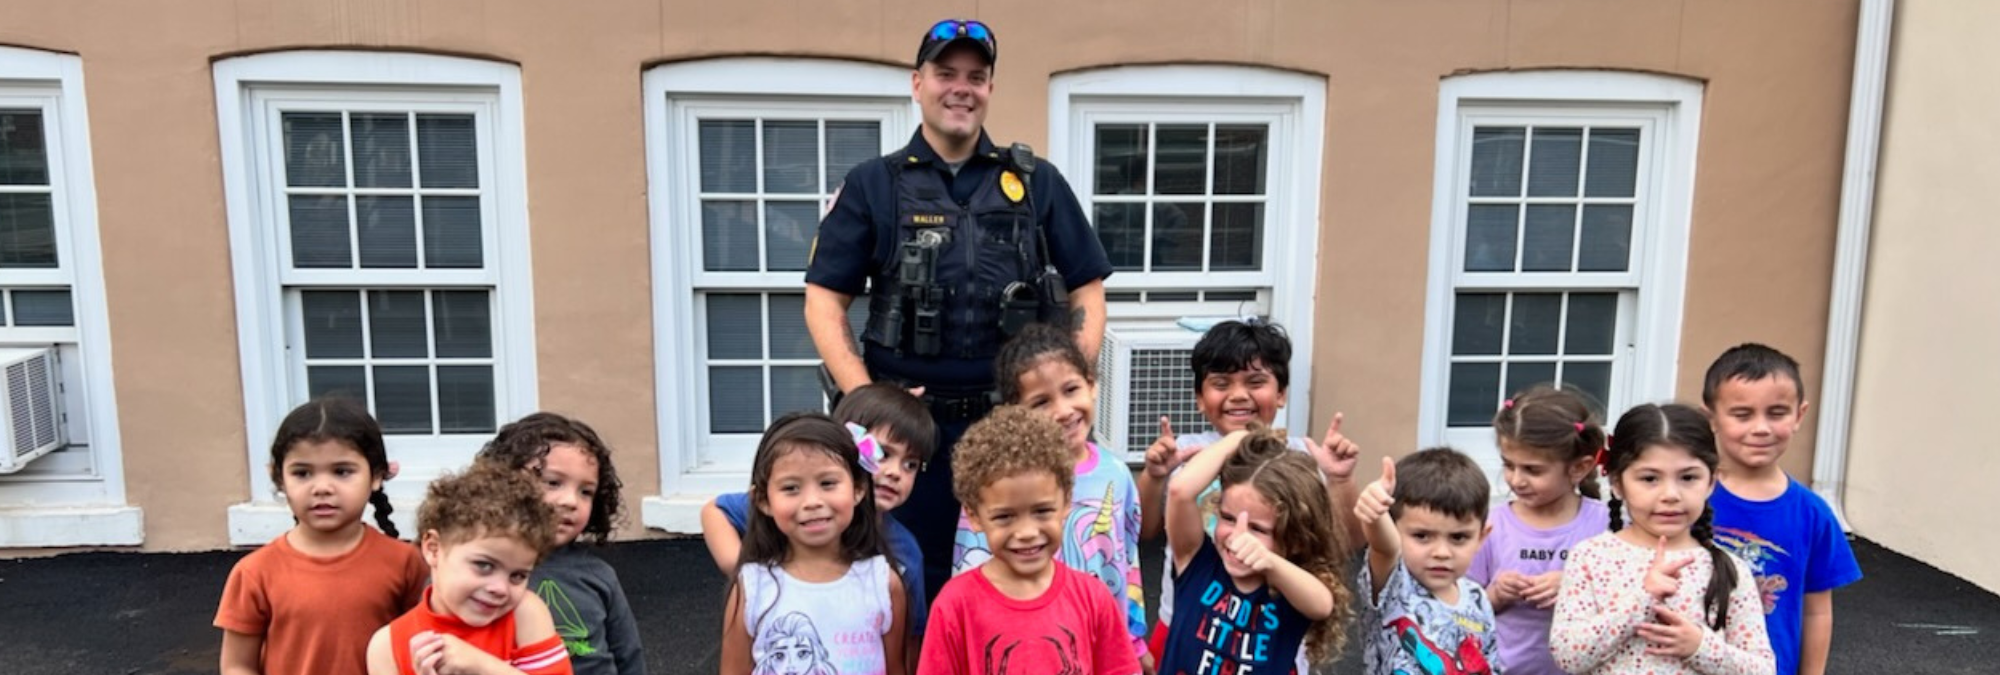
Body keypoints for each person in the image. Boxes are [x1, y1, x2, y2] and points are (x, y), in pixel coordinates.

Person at [803, 17, 1112, 601]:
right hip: (909, 437)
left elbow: (1088, 290)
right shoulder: (873, 185)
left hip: (1010, 426)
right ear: (918, 83)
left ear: (991, 88)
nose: (961, 88)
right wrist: (871, 410)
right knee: (900, 579)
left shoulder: (1036, 182)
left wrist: (1063, 388)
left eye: (976, 76)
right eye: (946, 74)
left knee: (1016, 576)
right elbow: (823, 300)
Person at [1131, 319, 1362, 669]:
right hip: (1186, 618)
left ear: (1281, 392)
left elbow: (1346, 543)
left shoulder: (1300, 460)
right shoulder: (1188, 454)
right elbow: (1146, 529)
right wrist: (1154, 476)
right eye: (1221, 383)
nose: (1238, 395)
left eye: (1255, 382)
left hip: (1272, 633)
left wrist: (1340, 481)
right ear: (1199, 398)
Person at [949, 323, 1146, 667]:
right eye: (1041, 401)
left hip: (1096, 641)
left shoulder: (1116, 474)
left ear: (1092, 383)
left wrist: (1133, 640)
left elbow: (1126, 559)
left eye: (1071, 389)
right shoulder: (991, 482)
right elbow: (969, 571)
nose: (1063, 410)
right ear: (1015, 408)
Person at [701, 383, 936, 657]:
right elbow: (715, 511)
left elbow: (910, 640)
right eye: (883, 453)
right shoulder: (796, 507)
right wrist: (743, 570)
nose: (896, 472)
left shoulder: (905, 553)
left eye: (911, 464)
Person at [1550, 403, 1775, 675]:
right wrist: (1643, 599)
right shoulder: (1592, 557)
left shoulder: (1729, 569)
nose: (1670, 494)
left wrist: (1700, 647)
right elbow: (1567, 655)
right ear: (1618, 483)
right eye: (1649, 478)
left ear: (1711, 481)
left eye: (1688, 477)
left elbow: (1763, 669)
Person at [918, 405, 1139, 675]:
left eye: (1042, 511)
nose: (1026, 532)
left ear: (1066, 502)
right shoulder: (954, 605)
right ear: (974, 515)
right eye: (1005, 517)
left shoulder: (1093, 598)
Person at [215, 397, 429, 675]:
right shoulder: (255, 572)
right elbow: (237, 666)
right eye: (303, 473)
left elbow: (425, 644)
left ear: (376, 475)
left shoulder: (405, 563)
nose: (322, 487)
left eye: (342, 472)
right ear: (279, 479)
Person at [1700, 344, 1860, 675]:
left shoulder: (1812, 513)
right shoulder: (1688, 498)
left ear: (1799, 415)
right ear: (1711, 418)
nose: (1761, 428)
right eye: (1742, 414)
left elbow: (1817, 611)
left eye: (1776, 413)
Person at [720, 412, 908, 675]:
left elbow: (895, 669)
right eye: (791, 488)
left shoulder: (882, 583)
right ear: (763, 500)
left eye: (827, 483)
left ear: (858, 488)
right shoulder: (753, 587)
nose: (812, 501)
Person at [1159, 425, 1352, 673]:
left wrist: (1270, 562)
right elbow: (1180, 490)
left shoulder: (1287, 589)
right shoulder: (1198, 562)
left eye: (1258, 529)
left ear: (1295, 539)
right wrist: (1237, 439)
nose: (1238, 537)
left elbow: (1323, 604)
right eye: (1228, 518)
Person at [476, 413, 646, 675]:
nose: (570, 501)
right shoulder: (471, 567)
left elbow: (629, 658)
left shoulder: (598, 575)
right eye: (553, 483)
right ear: (502, 483)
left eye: (585, 492)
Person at [365, 463, 572, 675]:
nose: (500, 588)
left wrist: (482, 666)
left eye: (517, 576)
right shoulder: (388, 646)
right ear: (434, 549)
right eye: (484, 566)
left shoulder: (525, 614)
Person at [1468, 386, 1614, 675]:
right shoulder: (1491, 526)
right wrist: (1495, 594)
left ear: (1579, 468)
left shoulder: (1607, 525)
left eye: (1533, 470)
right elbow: (1460, 610)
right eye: (1509, 466)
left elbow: (1632, 603)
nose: (1516, 480)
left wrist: (1575, 588)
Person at [1353, 448, 1502, 675]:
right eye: (1422, 536)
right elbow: (1385, 548)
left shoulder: (1477, 598)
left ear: (1481, 537)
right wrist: (1376, 514)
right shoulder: (1394, 582)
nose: (1441, 552)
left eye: (1458, 537)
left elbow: (1488, 666)